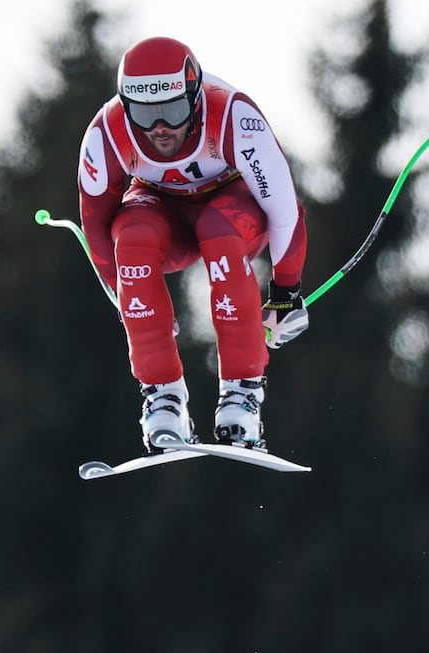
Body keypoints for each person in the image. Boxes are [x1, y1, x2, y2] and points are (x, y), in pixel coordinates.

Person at [77, 36, 309, 452]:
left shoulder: (233, 116)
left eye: (173, 111)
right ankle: (164, 399)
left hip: (233, 210)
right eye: (144, 115)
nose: (159, 128)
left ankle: (242, 395)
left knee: (217, 232)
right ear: (126, 106)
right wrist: (126, 295)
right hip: (164, 212)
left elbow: (284, 208)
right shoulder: (107, 134)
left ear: (196, 97)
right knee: (131, 239)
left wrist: (286, 291)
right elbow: (95, 224)